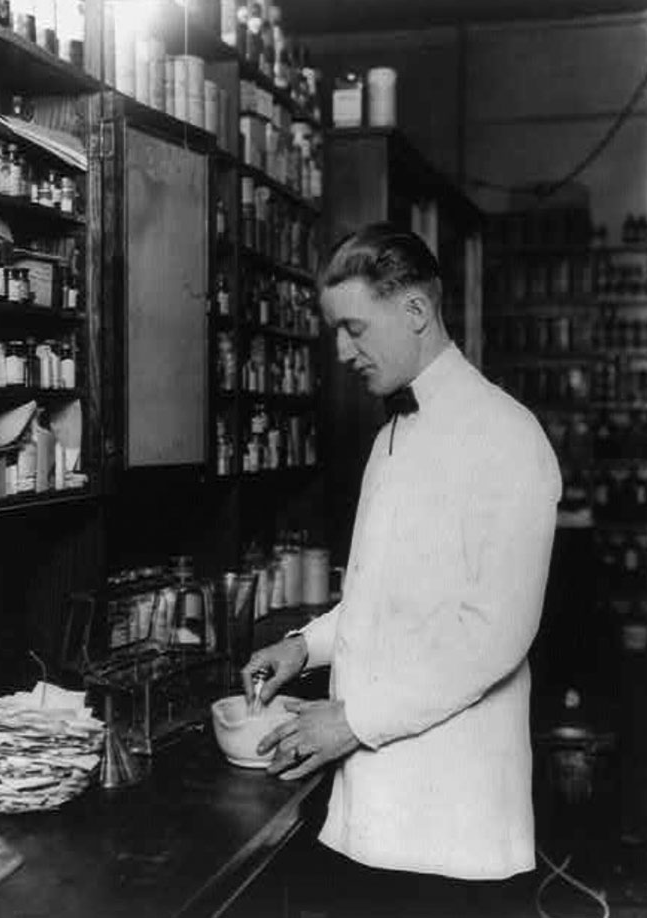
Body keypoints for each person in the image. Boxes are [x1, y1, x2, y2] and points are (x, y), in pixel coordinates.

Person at [242, 223, 562, 916]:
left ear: (416, 310)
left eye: (354, 328)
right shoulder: (391, 437)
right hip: (375, 813)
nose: (341, 352)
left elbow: (494, 637)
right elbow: (382, 595)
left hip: (451, 832)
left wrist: (351, 722)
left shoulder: (507, 438)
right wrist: (304, 646)